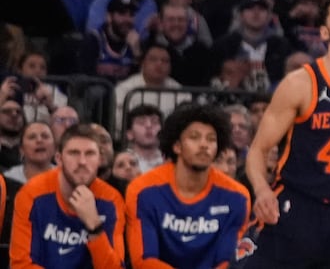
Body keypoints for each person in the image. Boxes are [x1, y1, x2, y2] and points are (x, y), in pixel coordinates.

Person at [243, 0, 330, 269]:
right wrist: (262, 190)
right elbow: (258, 150)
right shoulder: (301, 83)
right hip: (293, 205)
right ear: (324, 32)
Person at [123, 104, 251, 269]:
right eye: (194, 137)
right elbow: (144, 260)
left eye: (211, 139)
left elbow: (226, 261)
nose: (204, 145)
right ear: (177, 146)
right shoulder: (143, 190)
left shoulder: (237, 196)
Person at [11, 123, 127, 269]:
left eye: (90, 153)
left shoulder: (111, 199)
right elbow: (21, 265)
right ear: (59, 159)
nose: (82, 162)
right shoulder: (31, 194)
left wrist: (95, 227)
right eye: (74, 153)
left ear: (99, 160)